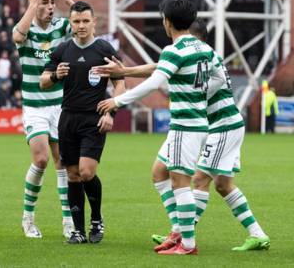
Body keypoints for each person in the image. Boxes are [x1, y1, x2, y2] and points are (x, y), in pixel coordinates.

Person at [94, 18, 270, 252]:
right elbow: (161, 67)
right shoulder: (205, 55)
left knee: (198, 181)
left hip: (222, 125)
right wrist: (126, 70)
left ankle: (181, 234)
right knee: (217, 183)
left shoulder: (199, 55)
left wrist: (119, 96)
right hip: (218, 124)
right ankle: (256, 234)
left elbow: (163, 72)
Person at [98, 0, 226, 255]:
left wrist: (117, 100)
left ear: (167, 22)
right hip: (198, 123)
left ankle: (187, 244)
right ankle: (178, 230)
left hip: (184, 126)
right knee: (159, 172)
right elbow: (220, 78)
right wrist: (198, 94)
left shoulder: (173, 50)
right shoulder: (204, 48)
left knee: (180, 181)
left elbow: (155, 82)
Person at [40, 1, 125, 244]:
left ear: (93, 22)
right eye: (76, 21)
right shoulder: (63, 50)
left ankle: (96, 220)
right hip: (68, 118)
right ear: (70, 23)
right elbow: (43, 80)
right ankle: (78, 231)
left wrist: (111, 111)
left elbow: (120, 81)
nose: (81, 26)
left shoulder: (104, 49)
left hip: (94, 118)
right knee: (73, 175)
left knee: (87, 172)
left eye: (85, 21)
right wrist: (56, 75)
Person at [12, 0, 76, 239]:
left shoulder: (61, 27)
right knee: (41, 159)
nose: (50, 7)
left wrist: (70, 2)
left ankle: (68, 220)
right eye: (45, 3)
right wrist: (31, 6)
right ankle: (28, 218)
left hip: (59, 105)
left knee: (62, 162)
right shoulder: (26, 29)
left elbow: (87, 26)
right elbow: (17, 35)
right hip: (35, 106)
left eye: (52, 3)